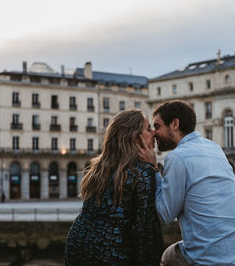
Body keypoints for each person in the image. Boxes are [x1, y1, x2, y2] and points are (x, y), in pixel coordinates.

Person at [138, 100, 235, 266]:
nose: (154, 133)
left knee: (167, 257)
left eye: (157, 127)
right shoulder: (214, 147)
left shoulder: (177, 157)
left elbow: (165, 214)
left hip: (212, 259)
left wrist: (153, 169)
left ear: (174, 124)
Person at [64, 109, 164, 266]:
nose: (154, 134)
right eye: (148, 129)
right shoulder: (143, 173)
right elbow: (147, 231)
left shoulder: (99, 167)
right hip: (111, 252)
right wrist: (153, 167)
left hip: (78, 244)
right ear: (134, 137)